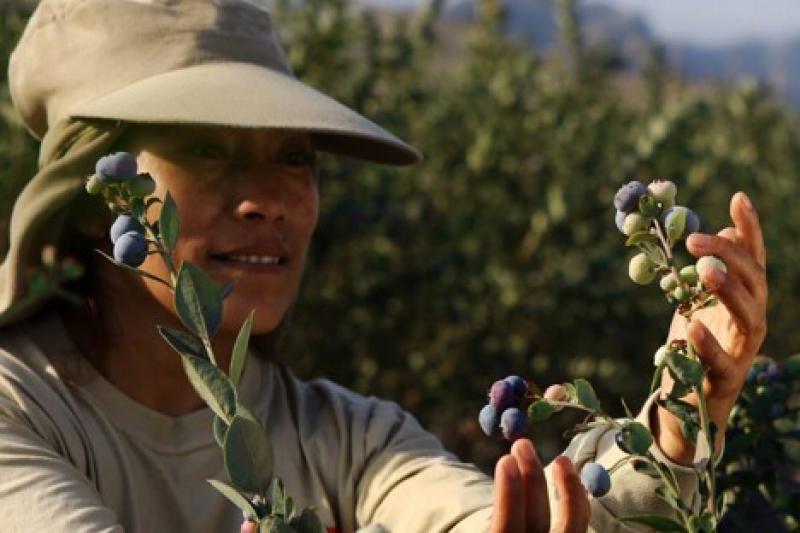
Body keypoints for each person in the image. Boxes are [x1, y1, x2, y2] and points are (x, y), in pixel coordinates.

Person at [0, 0, 767, 532]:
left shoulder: (341, 435)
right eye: (206, 148)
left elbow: (509, 517)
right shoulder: (18, 410)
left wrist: (676, 421)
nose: (270, 198)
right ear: (92, 194)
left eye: (293, 155)